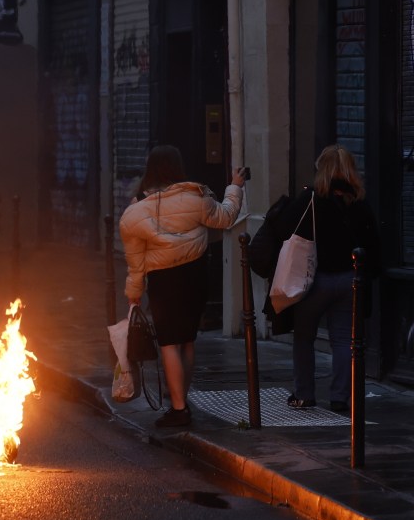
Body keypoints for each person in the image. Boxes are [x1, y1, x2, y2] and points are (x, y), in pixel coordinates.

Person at [119, 145, 246, 428]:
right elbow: (226, 217)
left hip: (164, 281)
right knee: (187, 340)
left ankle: (179, 408)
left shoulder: (136, 208)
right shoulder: (196, 197)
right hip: (195, 276)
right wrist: (235, 187)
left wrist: (134, 294)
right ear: (178, 167)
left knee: (168, 342)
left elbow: (136, 262)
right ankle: (181, 399)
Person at [276, 145, 380, 412]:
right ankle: (340, 397)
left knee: (304, 337)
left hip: (314, 280)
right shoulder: (359, 203)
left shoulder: (310, 200)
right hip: (349, 280)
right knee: (344, 340)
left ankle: (304, 394)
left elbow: (283, 228)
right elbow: (374, 246)